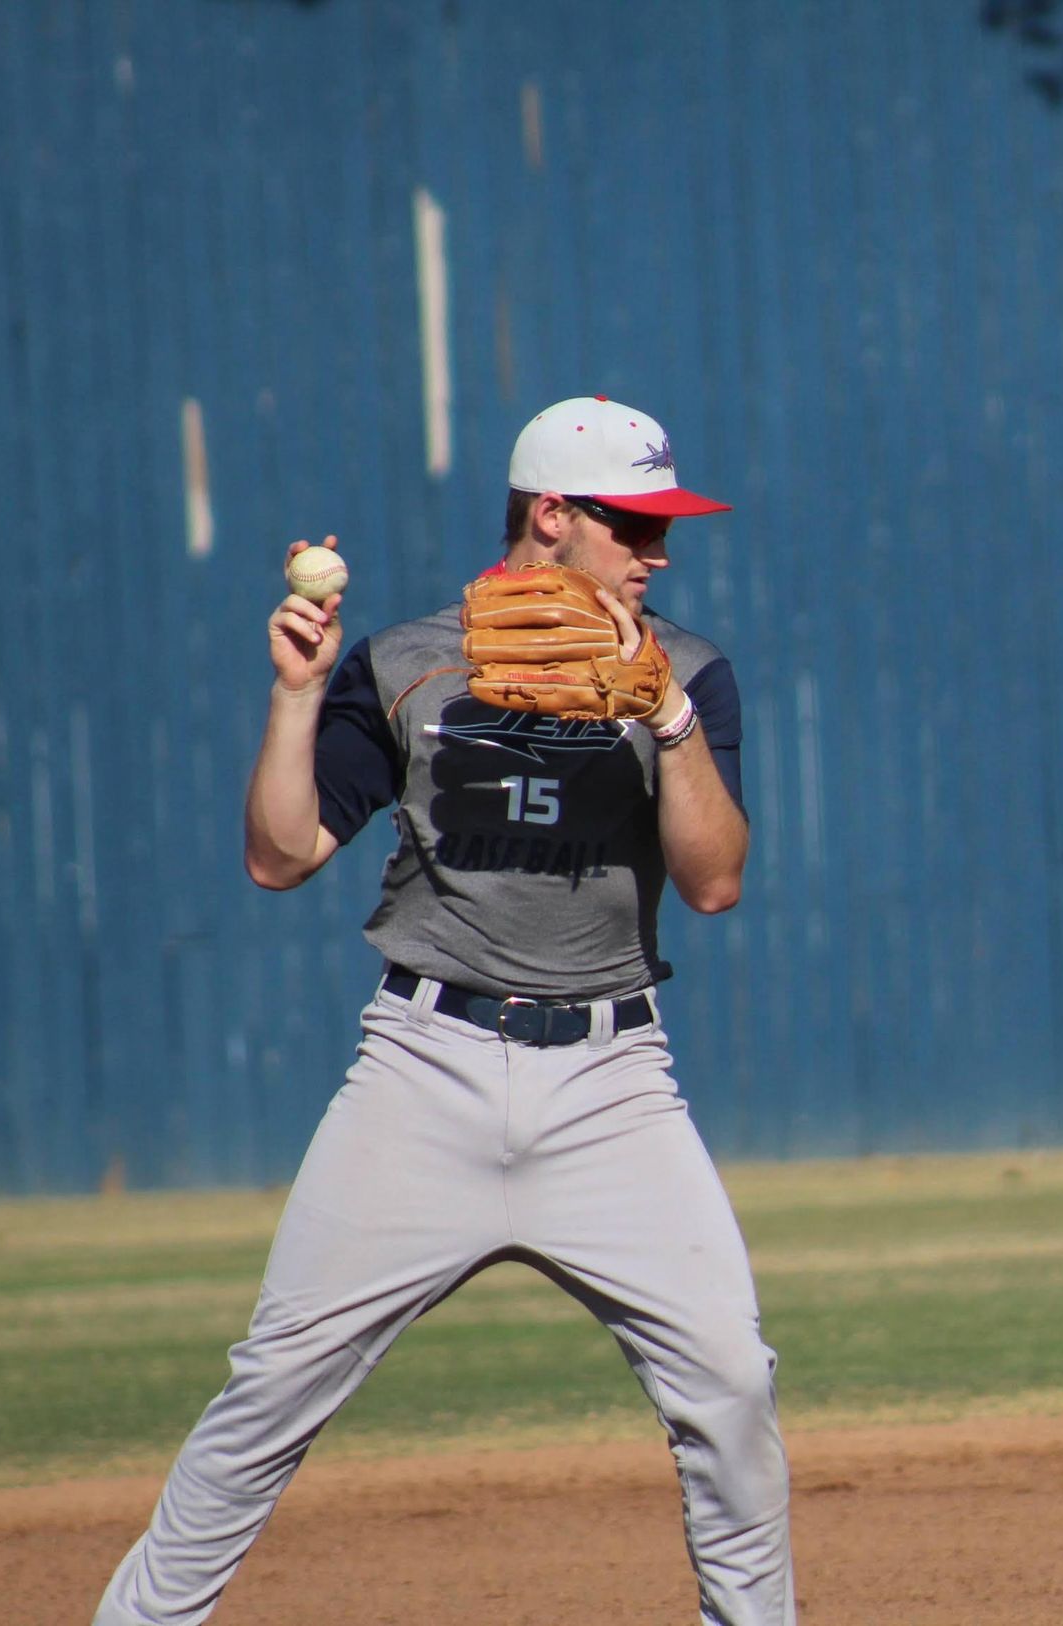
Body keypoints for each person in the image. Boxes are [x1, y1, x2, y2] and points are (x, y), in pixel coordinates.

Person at [95, 396, 795, 1625]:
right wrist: (301, 696)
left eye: (664, 526)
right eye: (633, 524)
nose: (657, 551)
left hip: (610, 1082)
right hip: (424, 1067)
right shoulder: (410, 660)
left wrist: (665, 719)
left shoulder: (688, 671)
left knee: (732, 1384)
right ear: (551, 515)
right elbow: (280, 853)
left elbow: (716, 880)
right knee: (270, 1392)